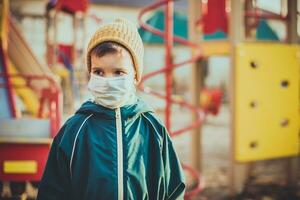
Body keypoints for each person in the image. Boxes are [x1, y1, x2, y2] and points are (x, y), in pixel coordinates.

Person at [37, 18, 185, 200]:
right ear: (90, 73)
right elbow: (53, 191)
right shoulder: (74, 131)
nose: (107, 81)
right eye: (99, 72)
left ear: (136, 76)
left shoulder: (153, 129)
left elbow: (172, 190)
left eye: (118, 72)